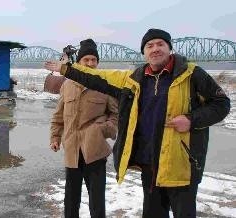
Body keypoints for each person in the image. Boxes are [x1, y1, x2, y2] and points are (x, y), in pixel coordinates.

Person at [44, 29, 231, 217]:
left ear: (170, 48)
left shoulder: (192, 74)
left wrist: (191, 120)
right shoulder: (134, 79)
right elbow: (97, 78)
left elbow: (222, 104)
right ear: (144, 52)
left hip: (180, 165)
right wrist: (66, 69)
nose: (155, 49)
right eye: (150, 46)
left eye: (160, 44)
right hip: (148, 163)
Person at [49, 39, 118, 218]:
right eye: (86, 59)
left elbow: (116, 115)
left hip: (95, 150)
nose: (90, 63)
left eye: (93, 60)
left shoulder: (105, 85)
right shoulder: (67, 85)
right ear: (79, 62)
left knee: (97, 202)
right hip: (72, 149)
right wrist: (55, 137)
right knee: (71, 200)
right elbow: (58, 116)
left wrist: (104, 130)